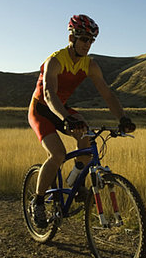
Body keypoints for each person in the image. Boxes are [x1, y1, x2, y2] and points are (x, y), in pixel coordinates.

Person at [27, 14, 136, 228]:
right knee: (57, 154)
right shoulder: (56, 61)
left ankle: (75, 183)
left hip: (63, 109)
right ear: (72, 37)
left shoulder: (90, 65)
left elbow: (108, 95)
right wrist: (66, 118)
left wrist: (122, 117)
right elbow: (49, 94)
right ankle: (38, 202)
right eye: (84, 39)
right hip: (41, 109)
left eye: (91, 40)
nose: (88, 44)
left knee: (86, 140)